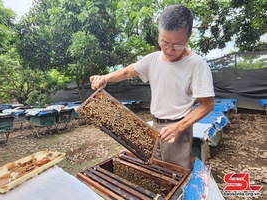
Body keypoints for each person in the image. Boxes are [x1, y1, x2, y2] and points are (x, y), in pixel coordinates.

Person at [90, 4, 215, 169]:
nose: (169, 50)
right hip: (154, 126)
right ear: (159, 34)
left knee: (175, 174)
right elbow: (127, 72)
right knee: (155, 169)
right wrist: (105, 77)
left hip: (178, 129)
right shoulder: (153, 59)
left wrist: (178, 127)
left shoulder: (197, 64)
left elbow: (208, 104)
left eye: (177, 44)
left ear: (189, 36)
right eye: (164, 42)